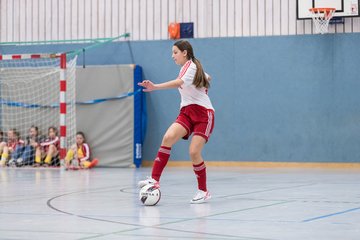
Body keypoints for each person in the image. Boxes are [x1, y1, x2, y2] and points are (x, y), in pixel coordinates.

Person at [137, 40, 215, 204]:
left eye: (175, 52)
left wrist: (155, 87)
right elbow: (208, 77)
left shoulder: (190, 66)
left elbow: (178, 83)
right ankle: (154, 179)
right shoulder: (192, 68)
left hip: (203, 115)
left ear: (185, 52)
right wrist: (205, 80)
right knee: (168, 138)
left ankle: (203, 190)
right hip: (186, 112)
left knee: (194, 152)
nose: (172, 56)